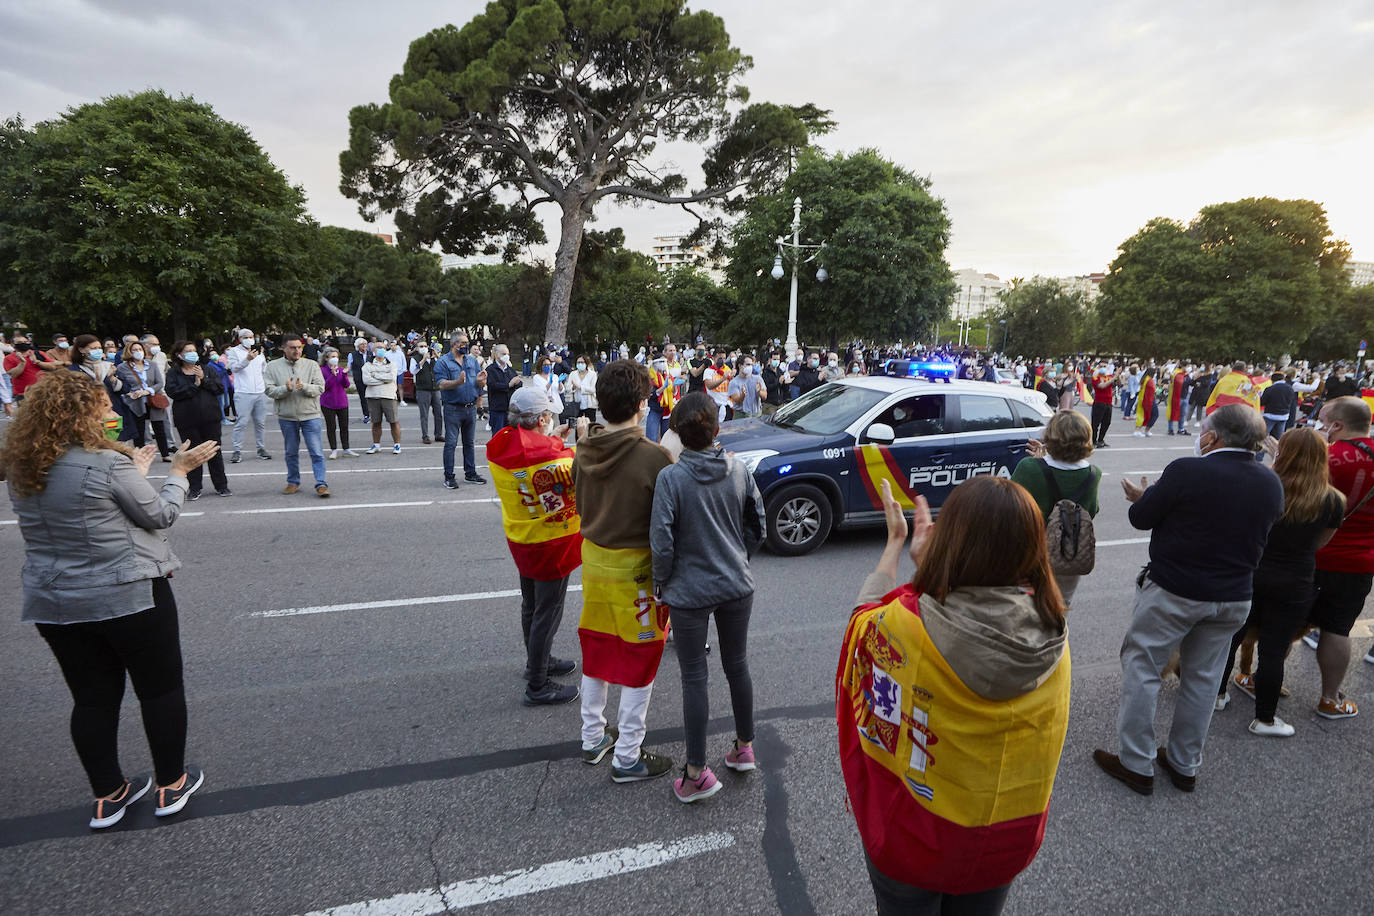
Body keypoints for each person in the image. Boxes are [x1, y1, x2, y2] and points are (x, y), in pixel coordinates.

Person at [838, 476, 1069, 916]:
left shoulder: (907, 625)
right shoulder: (1054, 633)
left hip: (913, 838)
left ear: (952, 542)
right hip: (1003, 840)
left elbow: (862, 625)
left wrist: (899, 547)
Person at [0, 371, 219, 828]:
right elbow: (159, 514)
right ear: (79, 414)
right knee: (159, 689)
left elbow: (89, 506)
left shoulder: (23, 466)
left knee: (92, 700)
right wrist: (178, 473)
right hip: (128, 593)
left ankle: (109, 794)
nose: (112, 413)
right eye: (102, 406)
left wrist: (132, 474)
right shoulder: (104, 463)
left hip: (56, 601)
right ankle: (170, 784)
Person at [1094, 405, 1283, 795]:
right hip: (1233, 596)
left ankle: (1136, 763)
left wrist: (1142, 497)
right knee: (1203, 679)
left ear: (1212, 438)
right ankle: (1184, 764)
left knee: (1143, 669)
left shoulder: (1187, 470)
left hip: (1175, 591)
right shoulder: (1270, 483)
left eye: (1204, 432)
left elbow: (1142, 517)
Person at [650, 392, 765, 803]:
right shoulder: (738, 469)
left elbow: (662, 542)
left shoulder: (672, 479)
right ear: (718, 430)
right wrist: (738, 556)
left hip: (689, 590)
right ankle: (744, 746)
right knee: (738, 665)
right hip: (736, 582)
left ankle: (696, 772)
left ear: (678, 434)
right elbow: (757, 523)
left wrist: (661, 582)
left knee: (694, 677)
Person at [572, 361, 675, 782]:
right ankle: (628, 755)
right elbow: (668, 525)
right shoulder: (655, 457)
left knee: (597, 651)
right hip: (638, 571)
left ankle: (592, 737)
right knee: (639, 661)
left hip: (595, 563)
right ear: (641, 404)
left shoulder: (583, 448)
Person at [1213, 428, 1343, 736]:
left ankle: (1216, 695)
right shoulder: (1332, 500)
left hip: (1251, 571)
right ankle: (1265, 719)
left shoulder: (1263, 486)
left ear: (1282, 453)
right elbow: (1320, 543)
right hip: (1295, 580)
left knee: (1231, 638)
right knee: (1274, 650)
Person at [489, 387, 588, 705]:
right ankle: (537, 683)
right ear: (543, 418)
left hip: (523, 538)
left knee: (531, 606)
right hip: (551, 544)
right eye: (550, 415)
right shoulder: (549, 455)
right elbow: (579, 473)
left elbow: (537, 459)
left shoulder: (502, 443)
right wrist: (582, 441)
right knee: (548, 611)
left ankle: (538, 662)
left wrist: (551, 438)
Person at [1301, 396, 1374, 719]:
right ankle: (1330, 699)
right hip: (1358, 561)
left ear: (1338, 425)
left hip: (1310, 553)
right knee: (1338, 628)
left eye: (1324, 419)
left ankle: (1264, 681)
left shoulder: (1325, 457)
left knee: (1287, 622)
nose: (1320, 426)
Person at [1012, 410, 1101, 603]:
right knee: (1060, 606)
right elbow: (1091, 511)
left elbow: (1011, 508)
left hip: (1031, 555)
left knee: (1025, 609)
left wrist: (1038, 463)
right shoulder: (1094, 474)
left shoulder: (1029, 468)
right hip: (1067, 553)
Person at [264, 333, 330, 497]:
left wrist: (304, 387)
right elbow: (269, 390)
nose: (297, 351)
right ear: (283, 348)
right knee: (291, 452)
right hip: (287, 417)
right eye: (292, 348)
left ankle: (321, 484)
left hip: (310, 415)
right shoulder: (272, 366)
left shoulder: (312, 365)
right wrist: (285, 389)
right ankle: (293, 482)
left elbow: (320, 388)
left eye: (299, 347)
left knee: (316, 452)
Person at [164, 341, 231, 499]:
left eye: (193, 350)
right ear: (179, 354)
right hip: (187, 420)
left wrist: (203, 379)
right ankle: (194, 488)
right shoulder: (174, 373)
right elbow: (173, 392)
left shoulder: (207, 369)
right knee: (192, 454)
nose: (192, 353)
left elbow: (219, 388)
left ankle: (221, 486)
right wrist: (195, 385)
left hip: (210, 418)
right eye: (187, 351)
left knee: (214, 452)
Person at [435, 332, 487, 488]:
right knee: (451, 443)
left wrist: (480, 383)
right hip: (453, 408)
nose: (466, 345)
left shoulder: (472, 361)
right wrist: (457, 382)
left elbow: (479, 384)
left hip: (470, 408)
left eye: (467, 342)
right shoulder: (443, 362)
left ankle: (470, 473)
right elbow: (441, 384)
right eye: (463, 342)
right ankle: (449, 476)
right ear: (454, 344)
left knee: (469, 443)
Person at [115, 339, 173, 461]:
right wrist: (130, 394)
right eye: (134, 350)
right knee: (139, 429)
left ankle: (165, 454)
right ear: (129, 352)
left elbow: (160, 383)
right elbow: (121, 386)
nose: (138, 352)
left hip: (153, 399)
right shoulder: (122, 367)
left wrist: (147, 391)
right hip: (135, 402)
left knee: (159, 427)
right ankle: (140, 454)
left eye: (140, 349)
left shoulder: (152, 364)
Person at [225, 328, 271, 463]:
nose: (249, 339)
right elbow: (233, 368)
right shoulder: (234, 351)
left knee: (260, 423)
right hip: (243, 392)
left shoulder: (259, 352)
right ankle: (237, 450)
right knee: (242, 422)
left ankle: (261, 448)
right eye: (246, 337)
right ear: (240, 339)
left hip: (260, 392)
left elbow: (264, 370)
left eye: (251, 337)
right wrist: (247, 359)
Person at [363, 343, 402, 456]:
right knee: (376, 422)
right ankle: (376, 445)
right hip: (373, 396)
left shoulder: (392, 364)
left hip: (389, 396)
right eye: (378, 348)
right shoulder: (367, 365)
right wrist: (382, 379)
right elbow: (366, 380)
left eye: (383, 348)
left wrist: (375, 375)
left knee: (393, 421)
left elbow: (391, 378)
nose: (381, 350)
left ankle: (397, 444)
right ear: (373, 350)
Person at [320, 346, 358, 459]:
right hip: (328, 403)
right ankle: (333, 449)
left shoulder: (340, 369)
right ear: (326, 358)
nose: (335, 359)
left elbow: (346, 385)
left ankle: (346, 448)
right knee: (331, 427)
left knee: (344, 426)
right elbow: (324, 386)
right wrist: (332, 374)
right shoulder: (321, 370)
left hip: (342, 402)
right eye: (332, 357)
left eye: (336, 356)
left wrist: (345, 374)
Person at [4, 332, 61, 403]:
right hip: (23, 394)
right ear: (13, 345)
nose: (23, 343)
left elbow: (52, 367)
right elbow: (14, 374)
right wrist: (22, 362)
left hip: (43, 391)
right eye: (20, 342)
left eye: (25, 341)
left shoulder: (38, 353)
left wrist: (37, 361)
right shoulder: (8, 358)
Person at [410, 342, 444, 444]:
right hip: (423, 389)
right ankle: (425, 436)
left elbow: (443, 367)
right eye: (421, 346)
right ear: (417, 348)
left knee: (438, 413)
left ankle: (438, 434)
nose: (424, 348)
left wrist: (436, 356)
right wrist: (423, 359)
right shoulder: (415, 358)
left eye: (425, 346)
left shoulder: (434, 358)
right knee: (424, 414)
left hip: (436, 389)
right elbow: (413, 371)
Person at [484, 344, 521, 433]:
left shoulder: (510, 370)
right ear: (496, 354)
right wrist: (508, 385)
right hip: (497, 409)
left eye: (507, 354)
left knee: (511, 436)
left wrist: (516, 383)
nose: (506, 356)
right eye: (504, 354)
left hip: (510, 409)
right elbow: (493, 385)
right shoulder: (490, 370)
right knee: (498, 435)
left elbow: (518, 383)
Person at [727, 354, 767, 419]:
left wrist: (759, 392)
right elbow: (737, 401)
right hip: (741, 415)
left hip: (756, 414)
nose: (750, 367)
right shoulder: (733, 382)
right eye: (748, 364)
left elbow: (765, 397)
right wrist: (743, 395)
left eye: (751, 365)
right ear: (740, 366)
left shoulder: (758, 379)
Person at [1260, 371, 1296, 442]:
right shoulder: (1290, 388)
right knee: (1277, 439)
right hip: (1283, 416)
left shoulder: (1269, 389)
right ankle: (1275, 452)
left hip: (1270, 415)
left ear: (1272, 380)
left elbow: (1262, 402)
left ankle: (1260, 453)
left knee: (1263, 437)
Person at [567, 355, 598, 422]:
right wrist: (573, 387)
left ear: (586, 363)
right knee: (578, 426)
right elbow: (568, 388)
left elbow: (593, 389)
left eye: (582, 362)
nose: (580, 364)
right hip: (577, 404)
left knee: (590, 425)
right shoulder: (573, 374)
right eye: (578, 362)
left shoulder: (592, 374)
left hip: (590, 404)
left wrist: (580, 387)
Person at [1090, 362, 1115, 446]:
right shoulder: (1095, 377)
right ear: (1098, 367)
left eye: (1105, 366)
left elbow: (1118, 383)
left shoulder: (1109, 376)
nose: (1103, 368)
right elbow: (1102, 386)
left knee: (1107, 422)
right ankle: (1093, 441)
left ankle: (1100, 440)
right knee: (1095, 423)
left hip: (1109, 402)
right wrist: (1113, 378)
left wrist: (1117, 376)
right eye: (1101, 366)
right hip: (1099, 402)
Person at [348, 338, 372, 424]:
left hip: (370, 379)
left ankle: (373, 413)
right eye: (362, 344)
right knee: (363, 397)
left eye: (365, 344)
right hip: (359, 379)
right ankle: (366, 415)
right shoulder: (352, 355)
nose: (364, 346)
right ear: (358, 346)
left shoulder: (371, 354)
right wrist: (355, 375)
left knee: (372, 397)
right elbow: (349, 367)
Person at [761, 351, 790, 416]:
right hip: (769, 405)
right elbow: (767, 388)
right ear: (770, 360)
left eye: (778, 359)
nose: (776, 361)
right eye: (774, 359)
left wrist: (786, 383)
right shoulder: (765, 373)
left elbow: (785, 390)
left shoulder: (780, 372)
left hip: (780, 404)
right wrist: (778, 382)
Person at [1132, 368, 1159, 437]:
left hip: (1143, 399)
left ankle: (1142, 430)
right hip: (1148, 400)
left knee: (1142, 415)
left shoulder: (1145, 379)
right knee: (1153, 415)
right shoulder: (1149, 380)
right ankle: (1142, 430)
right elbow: (1152, 391)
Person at [1166, 364, 1190, 435]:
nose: (1188, 368)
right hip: (1176, 396)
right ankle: (1170, 429)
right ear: (1182, 367)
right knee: (1172, 412)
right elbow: (1180, 383)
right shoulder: (1176, 373)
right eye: (1187, 366)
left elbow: (1190, 382)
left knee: (1182, 414)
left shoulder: (1185, 375)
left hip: (1184, 396)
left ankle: (1181, 429)